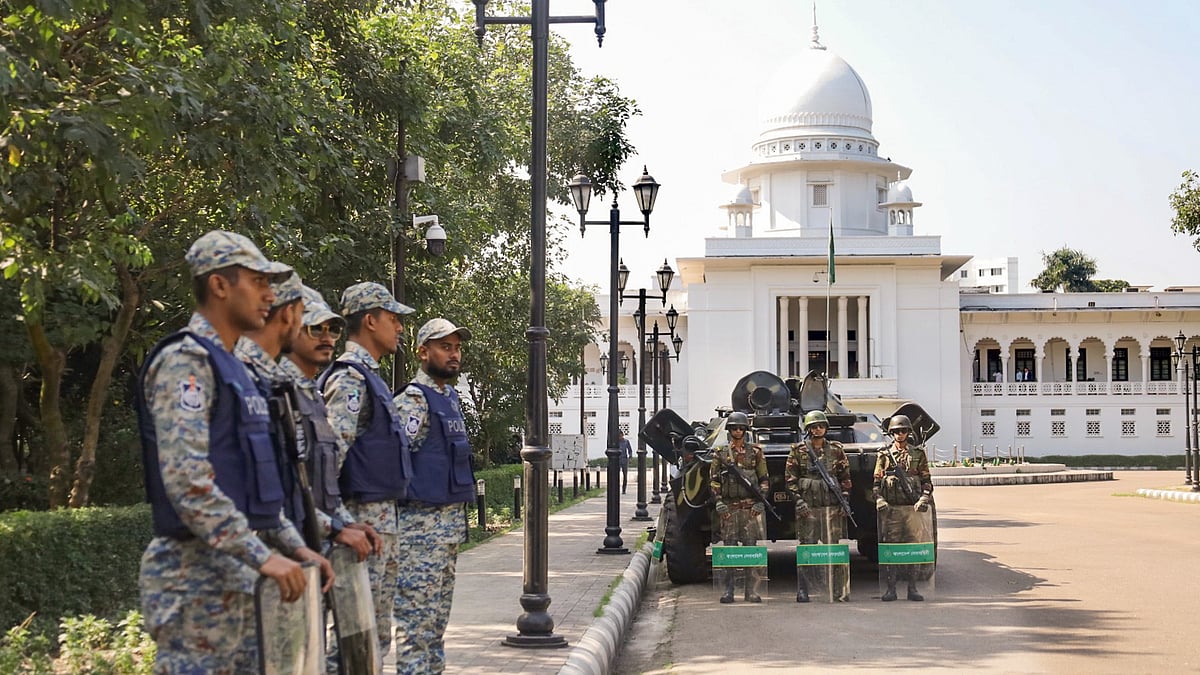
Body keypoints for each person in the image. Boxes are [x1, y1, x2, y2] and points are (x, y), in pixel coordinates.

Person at [136, 230, 330, 672]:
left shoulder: (237, 372)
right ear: (219, 285)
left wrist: (295, 547)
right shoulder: (186, 362)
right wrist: (265, 557)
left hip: (240, 577)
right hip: (195, 583)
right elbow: (189, 484)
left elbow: (257, 489)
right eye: (258, 282)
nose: (269, 295)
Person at [320, 282, 413, 657]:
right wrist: (341, 526)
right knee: (351, 644)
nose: (400, 328)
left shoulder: (370, 378)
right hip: (361, 528)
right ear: (371, 321)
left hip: (378, 526)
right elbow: (327, 463)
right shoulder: (350, 380)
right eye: (394, 319)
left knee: (373, 642)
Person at [393, 318, 475, 673]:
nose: (453, 354)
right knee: (416, 630)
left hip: (447, 534)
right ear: (422, 352)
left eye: (456, 347)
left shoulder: (449, 398)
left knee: (436, 628)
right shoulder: (414, 400)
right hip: (418, 536)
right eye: (445, 347)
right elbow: (393, 463)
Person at [278, 286, 382, 559]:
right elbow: (281, 491)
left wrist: (347, 523)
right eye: (315, 329)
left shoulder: (313, 396)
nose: (327, 338)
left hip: (318, 546)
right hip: (290, 550)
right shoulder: (277, 393)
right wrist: (335, 528)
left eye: (332, 330)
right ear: (290, 328)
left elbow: (323, 483)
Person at [785, 410, 852, 602]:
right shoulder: (798, 450)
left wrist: (844, 500)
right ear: (808, 429)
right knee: (807, 550)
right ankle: (803, 589)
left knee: (834, 550)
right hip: (808, 509)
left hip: (831, 508)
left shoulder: (836, 450)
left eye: (821, 426)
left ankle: (838, 589)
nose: (818, 429)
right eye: (814, 426)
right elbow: (790, 480)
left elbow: (845, 478)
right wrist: (799, 502)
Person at [708, 411, 769, 603]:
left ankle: (751, 591)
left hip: (750, 509)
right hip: (729, 509)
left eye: (741, 428)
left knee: (750, 551)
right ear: (729, 430)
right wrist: (718, 502)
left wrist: (761, 501)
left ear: (746, 430)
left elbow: (764, 480)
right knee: (730, 551)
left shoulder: (756, 452)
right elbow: (714, 480)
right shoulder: (721, 454)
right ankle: (729, 590)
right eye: (734, 428)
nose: (737, 431)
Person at [873, 414, 934, 601]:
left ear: (908, 432)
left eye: (904, 431)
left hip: (913, 509)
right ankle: (891, 589)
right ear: (892, 434)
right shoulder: (884, 455)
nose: (900, 434)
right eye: (897, 431)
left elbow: (927, 481)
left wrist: (924, 497)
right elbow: (876, 483)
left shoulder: (918, 454)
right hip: (892, 511)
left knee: (913, 548)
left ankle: (912, 588)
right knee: (891, 549)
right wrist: (879, 499)